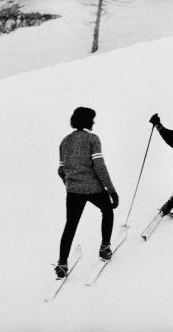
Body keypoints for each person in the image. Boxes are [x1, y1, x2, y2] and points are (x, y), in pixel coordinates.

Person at [55, 107, 119, 278]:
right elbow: (99, 166)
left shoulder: (65, 141)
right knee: (107, 211)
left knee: (70, 225)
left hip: (73, 191)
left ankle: (62, 263)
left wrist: (70, 183)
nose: (94, 122)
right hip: (94, 188)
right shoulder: (92, 139)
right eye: (92, 119)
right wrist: (111, 190)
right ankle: (105, 247)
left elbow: (61, 170)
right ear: (87, 121)